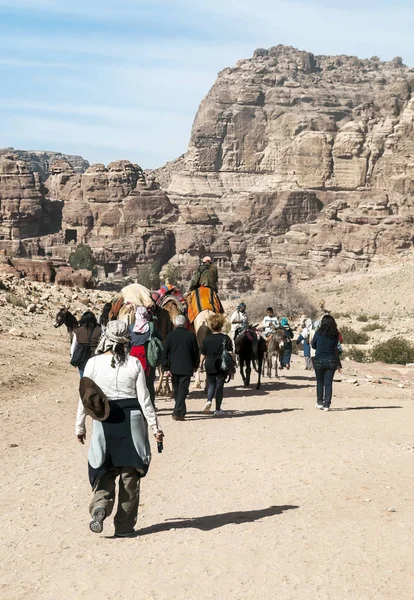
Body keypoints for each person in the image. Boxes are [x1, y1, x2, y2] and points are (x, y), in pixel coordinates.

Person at [75, 320, 164, 537]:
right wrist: (155, 427)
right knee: (130, 474)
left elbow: (84, 399)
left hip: (104, 421)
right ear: (127, 340)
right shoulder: (134, 363)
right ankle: (124, 527)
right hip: (131, 420)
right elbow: (145, 400)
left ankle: (100, 507)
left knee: (104, 469)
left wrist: (80, 426)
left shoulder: (93, 363)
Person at [161, 314, 200, 421]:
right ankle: (180, 411)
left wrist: (165, 367)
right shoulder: (191, 336)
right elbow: (196, 352)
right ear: (185, 324)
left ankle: (177, 411)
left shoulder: (170, 336)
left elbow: (165, 353)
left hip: (173, 367)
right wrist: (196, 365)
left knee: (178, 390)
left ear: (175, 323)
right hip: (186, 367)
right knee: (181, 390)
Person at [128, 306, 162, 409]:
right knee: (149, 383)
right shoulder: (151, 326)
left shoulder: (131, 327)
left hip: (133, 357)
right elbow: (160, 337)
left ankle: (136, 405)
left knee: (134, 382)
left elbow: (128, 342)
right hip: (147, 356)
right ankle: (151, 404)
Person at [200, 314, 233, 417]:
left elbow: (203, 354)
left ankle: (209, 400)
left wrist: (200, 364)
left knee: (211, 383)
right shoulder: (225, 338)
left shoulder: (206, 340)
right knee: (219, 386)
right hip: (221, 364)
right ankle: (218, 409)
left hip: (209, 364)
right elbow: (230, 353)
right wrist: (232, 365)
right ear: (221, 325)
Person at [311, 314, 341, 411]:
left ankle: (320, 402)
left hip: (319, 359)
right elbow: (336, 348)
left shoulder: (318, 333)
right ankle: (327, 405)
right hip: (331, 360)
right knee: (328, 383)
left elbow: (313, 345)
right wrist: (338, 363)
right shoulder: (335, 334)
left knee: (320, 382)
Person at [71, 311, 102, 378]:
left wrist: (73, 357)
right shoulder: (99, 330)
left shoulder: (78, 331)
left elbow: (74, 346)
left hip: (82, 356)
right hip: (95, 357)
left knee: (83, 377)